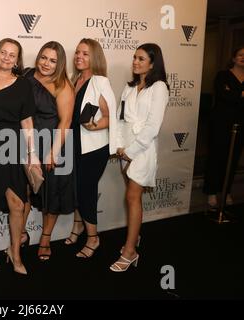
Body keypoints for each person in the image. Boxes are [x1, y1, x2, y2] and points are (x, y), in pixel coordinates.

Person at [0, 38, 40, 275]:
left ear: (17, 60)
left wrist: (32, 154)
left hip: (11, 147)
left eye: (12, 55)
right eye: (3, 52)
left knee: (17, 203)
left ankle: (16, 253)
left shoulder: (23, 84)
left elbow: (27, 121)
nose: (6, 57)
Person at [110, 43, 169, 272]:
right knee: (133, 199)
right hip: (124, 149)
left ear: (153, 64)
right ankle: (135, 238)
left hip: (142, 151)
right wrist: (119, 146)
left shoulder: (159, 88)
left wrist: (132, 151)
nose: (135, 62)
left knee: (132, 198)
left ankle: (130, 251)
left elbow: (153, 126)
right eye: (135, 57)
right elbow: (120, 117)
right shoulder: (129, 87)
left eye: (141, 59)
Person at [65, 39, 118, 259]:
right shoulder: (74, 79)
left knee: (86, 190)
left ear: (94, 57)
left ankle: (93, 238)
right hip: (74, 143)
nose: (79, 56)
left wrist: (94, 125)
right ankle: (78, 225)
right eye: (77, 52)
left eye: (85, 54)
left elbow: (109, 116)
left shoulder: (99, 81)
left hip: (94, 148)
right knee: (76, 188)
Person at [23, 41, 75, 261]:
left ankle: (45, 238)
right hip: (26, 143)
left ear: (59, 63)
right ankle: (19, 233)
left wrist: (53, 152)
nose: (46, 63)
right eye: (44, 57)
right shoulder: (26, 75)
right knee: (24, 190)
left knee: (51, 194)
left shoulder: (63, 85)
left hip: (53, 144)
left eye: (53, 60)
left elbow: (66, 122)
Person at [203, 45, 244, 209]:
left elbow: (229, 95)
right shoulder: (223, 75)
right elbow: (222, 95)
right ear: (233, 58)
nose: (243, 57)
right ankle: (212, 191)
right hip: (220, 123)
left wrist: (233, 93)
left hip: (241, 124)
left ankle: (226, 191)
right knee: (217, 156)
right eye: (240, 54)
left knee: (233, 158)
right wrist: (240, 94)